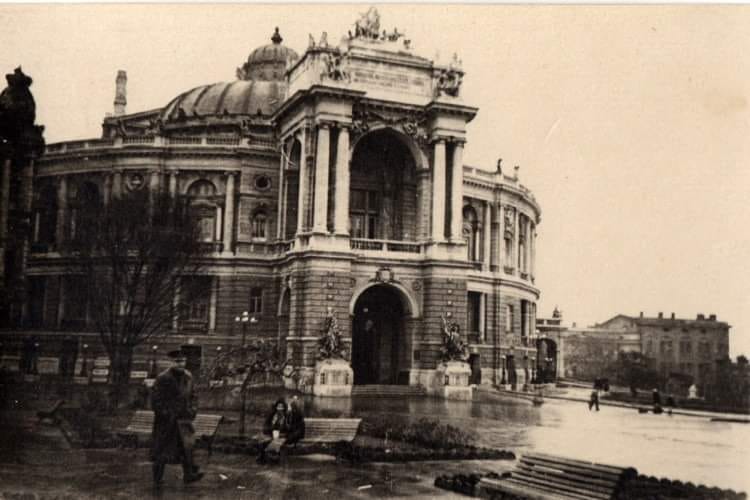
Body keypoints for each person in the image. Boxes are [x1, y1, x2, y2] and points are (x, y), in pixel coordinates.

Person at [150, 348, 204, 488]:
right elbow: (156, 400)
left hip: (184, 419)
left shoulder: (188, 376)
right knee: (162, 449)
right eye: (178, 361)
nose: (181, 364)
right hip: (167, 422)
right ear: (171, 362)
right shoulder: (163, 378)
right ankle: (157, 478)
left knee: (187, 447)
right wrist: (166, 413)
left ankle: (189, 475)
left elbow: (194, 396)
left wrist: (193, 410)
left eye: (183, 361)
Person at [258, 398, 289, 464]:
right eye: (278, 407)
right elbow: (266, 426)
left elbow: (288, 429)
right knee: (262, 442)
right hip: (271, 434)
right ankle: (262, 459)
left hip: (281, 436)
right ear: (276, 407)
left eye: (281, 407)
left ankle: (273, 460)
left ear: (284, 408)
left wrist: (282, 433)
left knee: (275, 443)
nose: (280, 409)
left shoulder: (286, 417)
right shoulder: (272, 415)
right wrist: (271, 430)